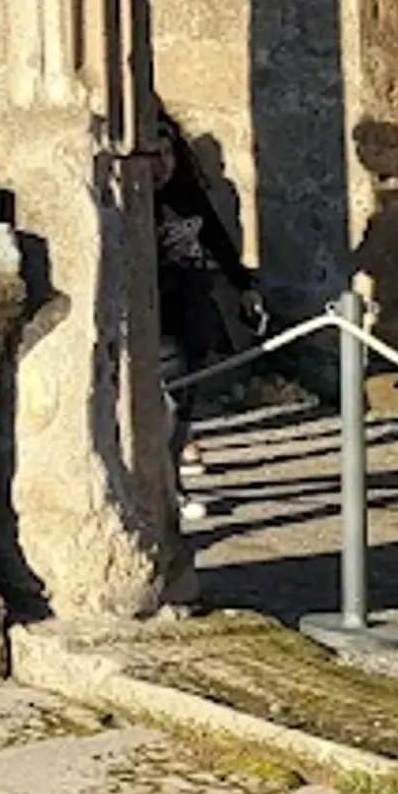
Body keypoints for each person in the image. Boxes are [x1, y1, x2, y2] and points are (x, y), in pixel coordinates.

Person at [154, 112, 260, 531]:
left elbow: (217, 238)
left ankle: (172, 477)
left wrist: (244, 285)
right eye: (154, 154)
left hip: (191, 304)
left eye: (167, 152)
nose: (161, 163)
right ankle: (165, 488)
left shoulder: (188, 196)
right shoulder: (132, 198)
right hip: (154, 310)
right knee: (166, 397)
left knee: (184, 403)